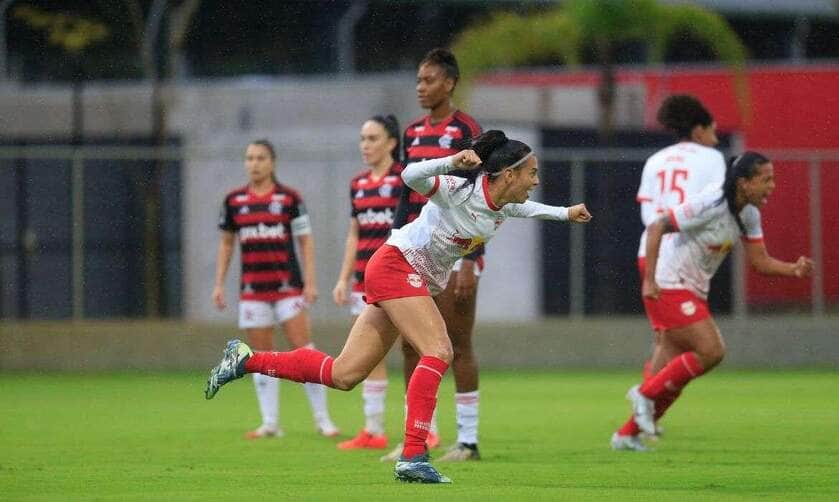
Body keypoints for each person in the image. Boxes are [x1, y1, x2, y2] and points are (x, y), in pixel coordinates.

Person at [205, 130, 592, 483]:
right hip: (395, 265)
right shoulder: (458, 189)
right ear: (508, 174)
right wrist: (451, 161)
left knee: (344, 374)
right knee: (440, 349)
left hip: (404, 274)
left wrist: (565, 213)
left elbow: (527, 209)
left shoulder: (502, 206)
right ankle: (413, 454)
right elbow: (410, 178)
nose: (536, 181)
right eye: (532, 172)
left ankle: (245, 359)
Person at [611, 151, 814, 451]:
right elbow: (656, 227)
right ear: (744, 183)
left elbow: (760, 261)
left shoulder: (749, 214)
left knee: (672, 375)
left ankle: (626, 435)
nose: (772, 186)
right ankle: (644, 393)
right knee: (711, 350)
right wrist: (650, 280)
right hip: (668, 282)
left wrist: (792, 269)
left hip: (693, 289)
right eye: (766, 179)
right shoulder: (711, 203)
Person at [383, 47, 486, 463]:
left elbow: (482, 199)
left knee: (457, 344)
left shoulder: (467, 129)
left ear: (450, 83)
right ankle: (419, 437)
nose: (421, 88)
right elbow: (407, 197)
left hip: (455, 251)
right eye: (418, 81)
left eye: (429, 80)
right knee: (410, 346)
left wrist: (469, 261)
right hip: (413, 250)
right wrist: (392, 242)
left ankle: (468, 441)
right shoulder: (411, 133)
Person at [213, 139, 338, 440]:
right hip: (253, 291)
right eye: (249, 158)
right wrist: (218, 284)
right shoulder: (234, 201)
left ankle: (323, 420)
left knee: (304, 351)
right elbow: (227, 243)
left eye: (260, 158)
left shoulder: (289, 199)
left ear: (272, 162)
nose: (253, 163)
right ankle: (270, 422)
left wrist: (310, 282)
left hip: (288, 289)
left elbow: (305, 241)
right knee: (261, 356)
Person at [633, 95, 726, 436]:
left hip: (650, 250)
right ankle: (645, 403)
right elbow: (713, 204)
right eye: (713, 130)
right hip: (682, 252)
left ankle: (644, 419)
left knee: (666, 340)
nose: (715, 137)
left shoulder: (656, 160)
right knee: (704, 347)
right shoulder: (713, 158)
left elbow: (648, 216)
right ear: (699, 129)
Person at [332, 115, 404, 450]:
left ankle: (425, 427)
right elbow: (354, 235)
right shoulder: (358, 184)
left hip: (400, 280)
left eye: (373, 138)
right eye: (363, 138)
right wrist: (344, 278)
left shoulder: (406, 179)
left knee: (413, 351)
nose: (365, 145)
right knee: (369, 357)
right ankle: (374, 431)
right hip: (364, 282)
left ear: (391, 142)